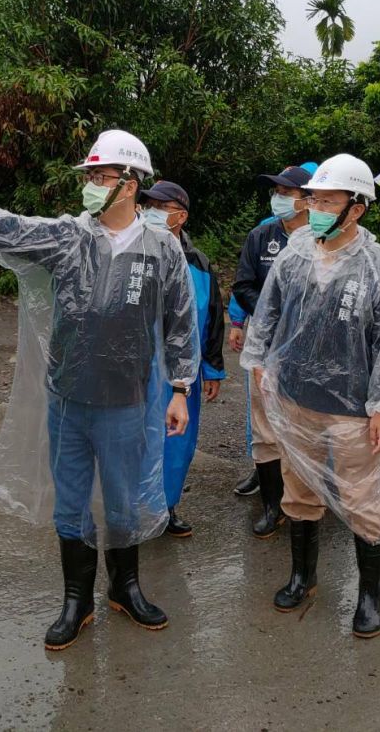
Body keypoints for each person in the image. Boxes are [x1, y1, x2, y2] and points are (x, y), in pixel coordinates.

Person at [0, 129, 198, 652]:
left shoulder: (162, 249)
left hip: (128, 400)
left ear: (128, 185)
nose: (90, 185)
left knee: (125, 504)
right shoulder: (69, 236)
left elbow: (180, 320)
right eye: (90, 176)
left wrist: (180, 388)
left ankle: (125, 588)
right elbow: (11, 230)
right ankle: (76, 598)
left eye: (100, 176)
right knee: (72, 502)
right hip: (70, 397)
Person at [241, 154, 380, 637]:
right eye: (313, 197)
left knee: (362, 501)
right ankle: (303, 576)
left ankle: (369, 596)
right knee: (299, 493)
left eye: (326, 199)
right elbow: (269, 310)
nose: (314, 206)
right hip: (296, 399)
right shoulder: (296, 251)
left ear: (354, 208)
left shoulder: (378, 265)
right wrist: (260, 362)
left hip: (352, 408)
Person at [227, 162, 319, 498]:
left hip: (307, 347)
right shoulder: (261, 236)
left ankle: (304, 496)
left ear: (307, 200)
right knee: (265, 424)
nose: (278, 198)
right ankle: (271, 503)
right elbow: (243, 284)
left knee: (304, 422)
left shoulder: (322, 240)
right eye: (276, 192)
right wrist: (270, 315)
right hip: (265, 344)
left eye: (286, 192)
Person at [140, 180, 225, 537]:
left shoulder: (198, 263)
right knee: (137, 436)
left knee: (177, 441)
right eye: (149, 205)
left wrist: (212, 369)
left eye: (162, 206)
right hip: (138, 366)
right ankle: (136, 506)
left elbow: (211, 318)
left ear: (181, 216)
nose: (152, 212)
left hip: (181, 370)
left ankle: (167, 506)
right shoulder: (134, 252)